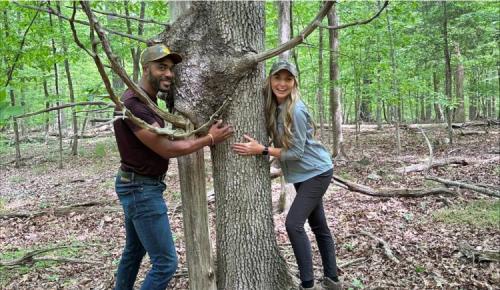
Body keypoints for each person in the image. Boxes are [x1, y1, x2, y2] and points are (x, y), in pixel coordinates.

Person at [113, 44, 233, 290]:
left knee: (134, 252)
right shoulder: (133, 104)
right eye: (161, 68)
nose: (169, 74)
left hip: (138, 185)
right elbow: (166, 148)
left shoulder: (148, 102)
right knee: (166, 264)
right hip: (140, 189)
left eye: (170, 68)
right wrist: (209, 139)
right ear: (145, 69)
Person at [232, 60, 342, 290]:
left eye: (288, 79)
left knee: (294, 224)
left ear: (294, 82)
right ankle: (332, 280)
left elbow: (297, 152)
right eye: (277, 78)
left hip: (317, 172)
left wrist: (262, 150)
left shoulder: (297, 110)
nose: (282, 84)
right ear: (270, 79)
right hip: (303, 174)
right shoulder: (275, 106)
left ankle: (307, 284)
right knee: (319, 225)